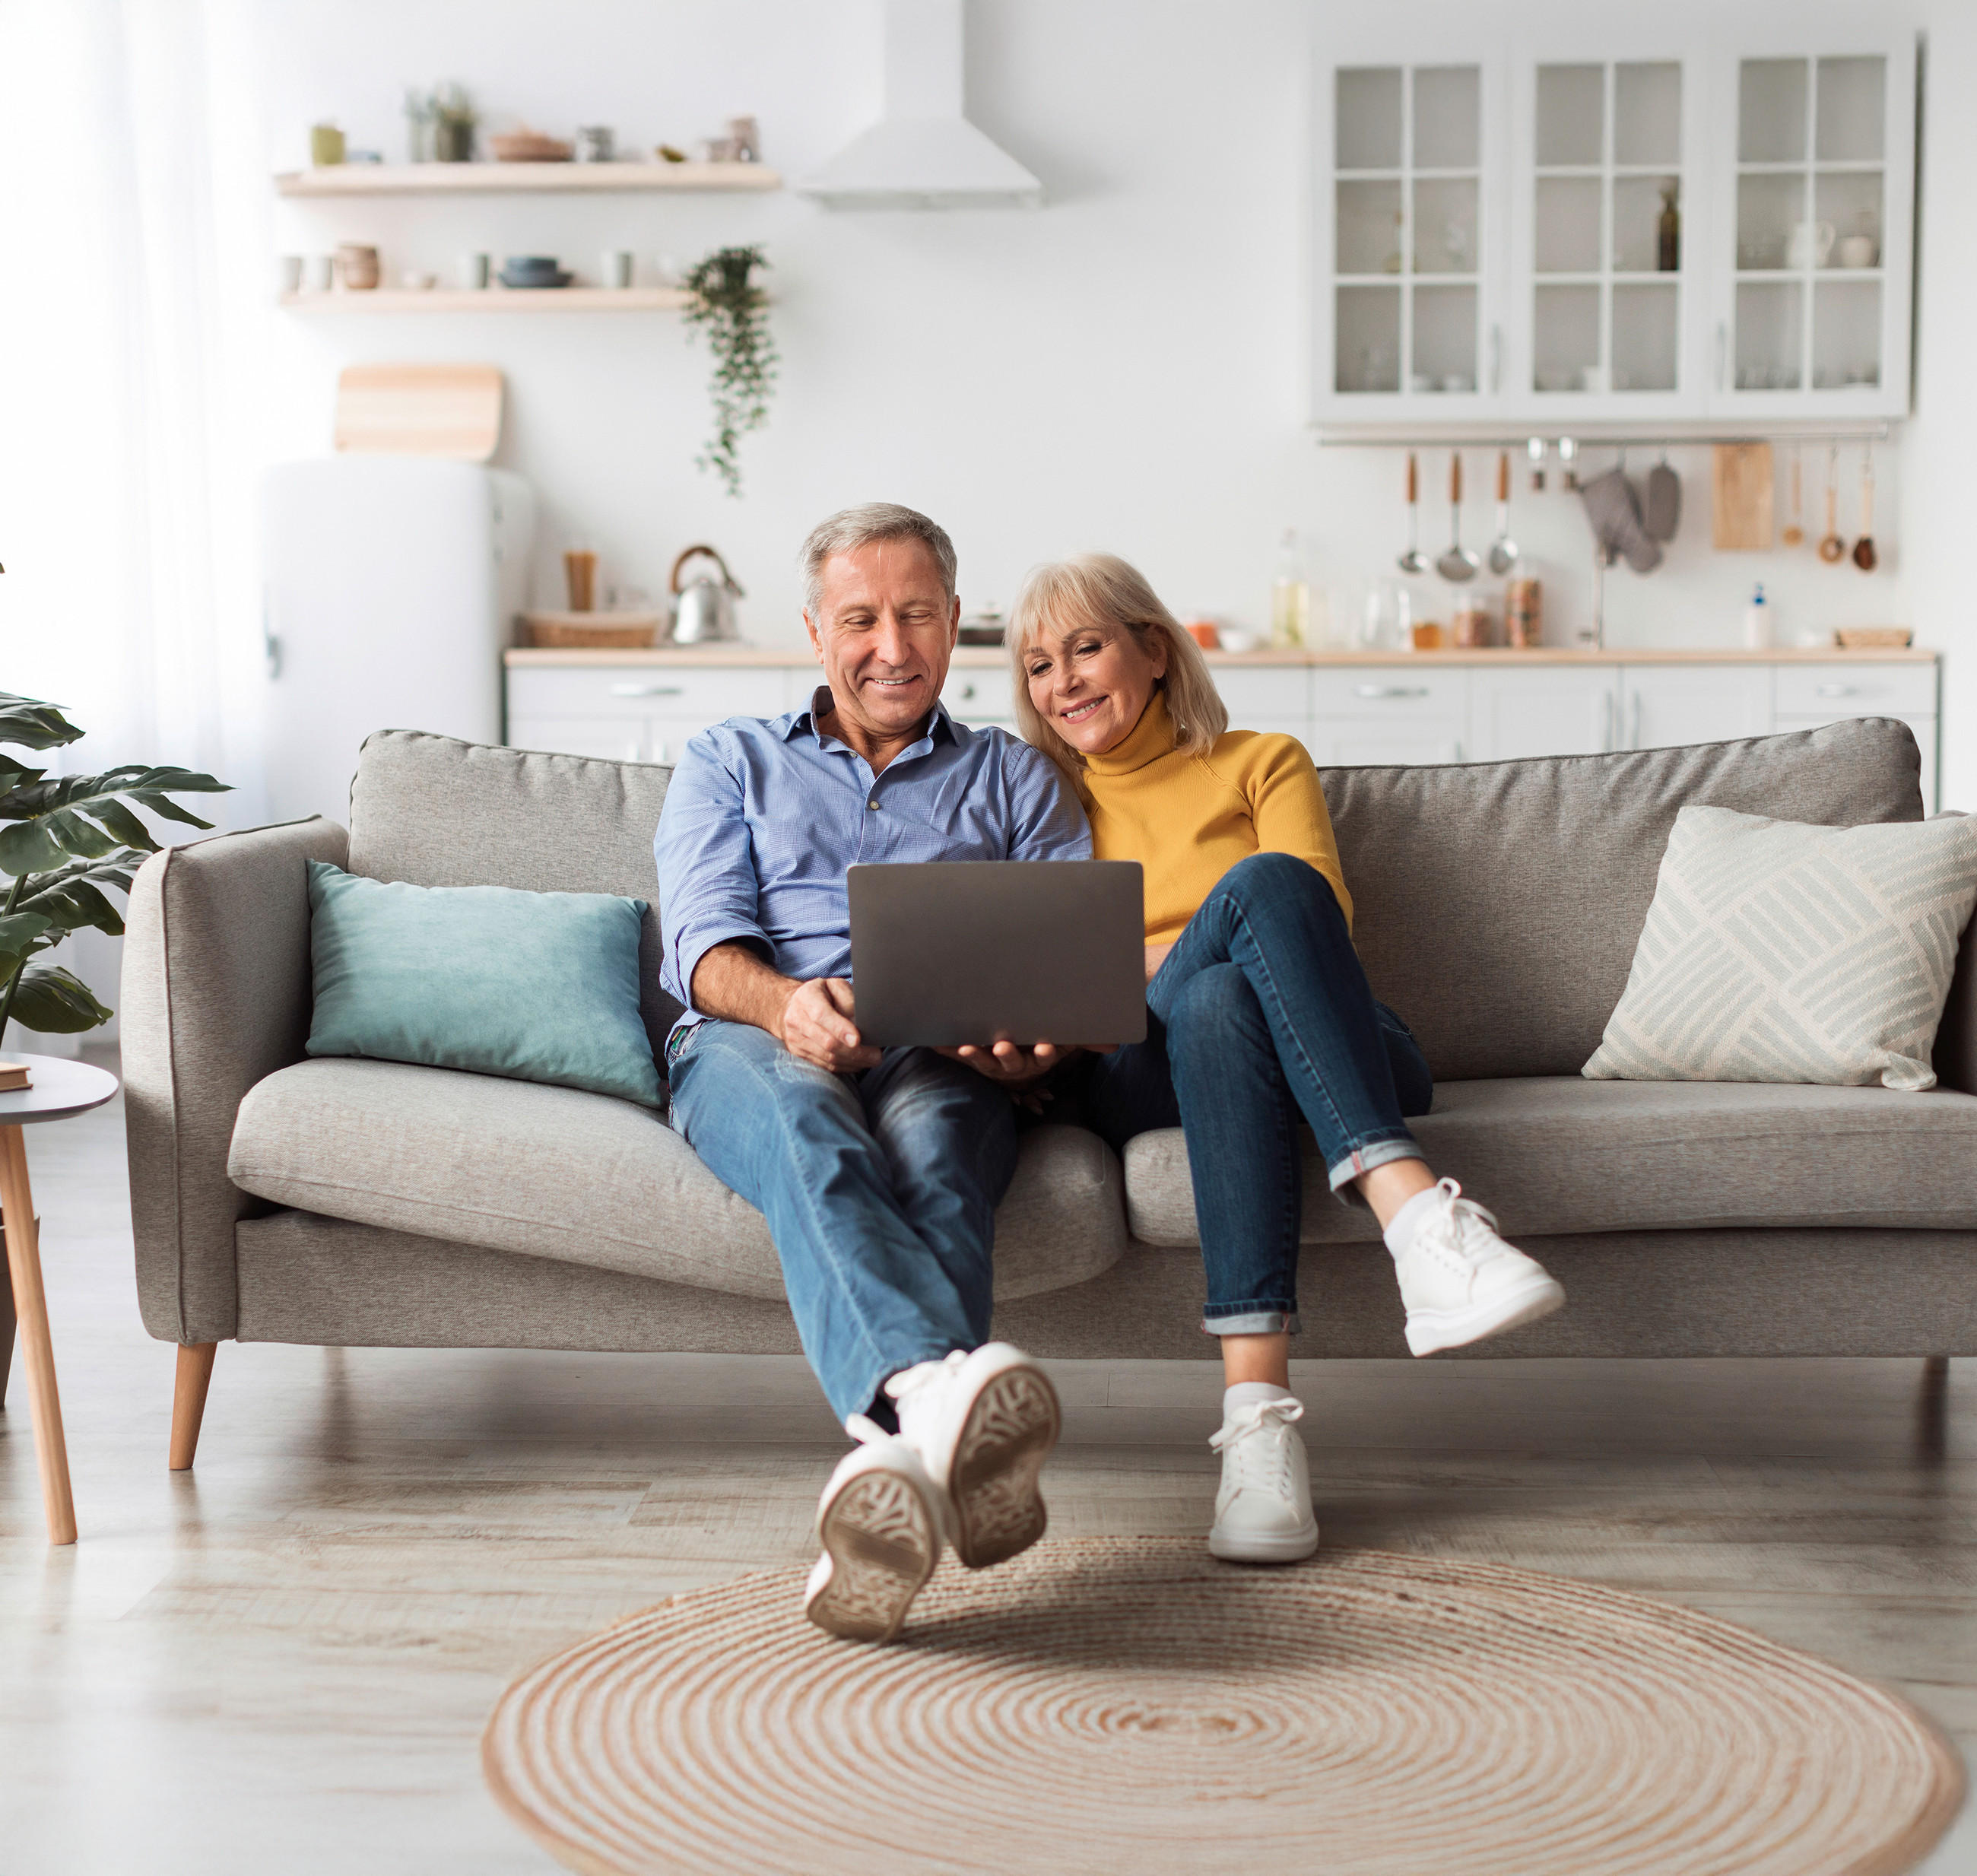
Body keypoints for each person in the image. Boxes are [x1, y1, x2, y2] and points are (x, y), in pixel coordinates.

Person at [1007, 554, 1566, 1567]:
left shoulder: (1262, 761)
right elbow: (1062, 976)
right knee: (1221, 965)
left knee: (1234, 975)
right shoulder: (1043, 804)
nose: (1064, 682)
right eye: (1040, 664)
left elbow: (1313, 918)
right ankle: (1418, 1220)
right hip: (1142, 1066)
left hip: (1337, 1040)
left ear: (1156, 652)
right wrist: (1152, 958)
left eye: (1087, 647)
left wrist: (1133, 955)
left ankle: (1260, 1436)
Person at [657, 504, 1089, 1646]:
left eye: (914, 617)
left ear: (955, 626)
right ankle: (934, 1399)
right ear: (815, 630)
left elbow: (1068, 959)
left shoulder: (1017, 779)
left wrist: (1039, 1037)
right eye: (861, 619)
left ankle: (890, 1460)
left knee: (944, 1151)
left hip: (942, 1055)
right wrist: (789, 1005)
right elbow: (700, 949)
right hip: (753, 1044)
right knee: (810, 1128)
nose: (890, 647)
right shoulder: (726, 760)